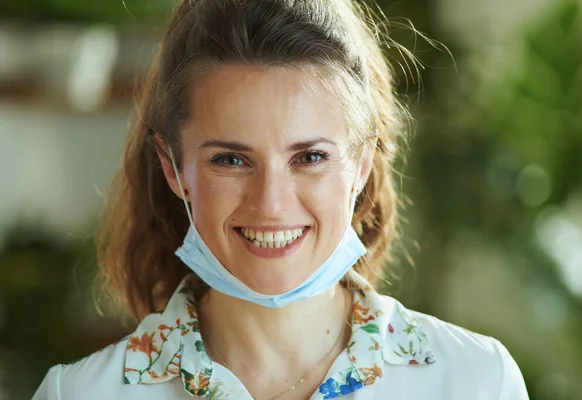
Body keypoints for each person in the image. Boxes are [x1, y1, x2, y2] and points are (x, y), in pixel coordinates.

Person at [33, 0, 529, 399]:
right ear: (173, 168)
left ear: (359, 164)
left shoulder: (476, 382)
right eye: (230, 160)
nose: (270, 203)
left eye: (309, 156)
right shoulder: (77, 393)